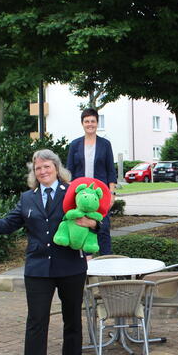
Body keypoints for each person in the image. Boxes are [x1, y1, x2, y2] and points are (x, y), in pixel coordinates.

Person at [0, 149, 99, 355]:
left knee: (72, 321)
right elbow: (7, 225)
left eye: (47, 166)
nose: (42, 171)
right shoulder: (27, 199)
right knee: (36, 325)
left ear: (56, 168)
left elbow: (98, 218)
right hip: (39, 271)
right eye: (37, 168)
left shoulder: (72, 193)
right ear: (34, 172)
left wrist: (94, 225)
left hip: (71, 268)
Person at [66, 108, 117, 255]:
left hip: (100, 194)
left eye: (93, 121)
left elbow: (110, 170)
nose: (90, 124)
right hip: (80, 195)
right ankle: (86, 267)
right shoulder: (75, 145)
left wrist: (112, 193)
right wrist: (70, 194)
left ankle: (107, 264)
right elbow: (69, 171)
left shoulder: (105, 144)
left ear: (97, 123)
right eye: (86, 121)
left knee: (103, 228)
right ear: (82, 123)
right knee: (83, 228)